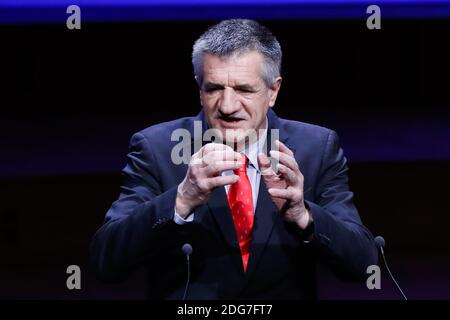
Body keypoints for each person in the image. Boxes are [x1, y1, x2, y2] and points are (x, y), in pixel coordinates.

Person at [90, 19, 378, 299]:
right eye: (214, 89)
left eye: (244, 89)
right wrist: (180, 200)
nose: (227, 106)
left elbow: (364, 264)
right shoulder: (156, 148)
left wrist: (303, 216)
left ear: (273, 90)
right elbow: (107, 262)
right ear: (198, 86)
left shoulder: (316, 148)